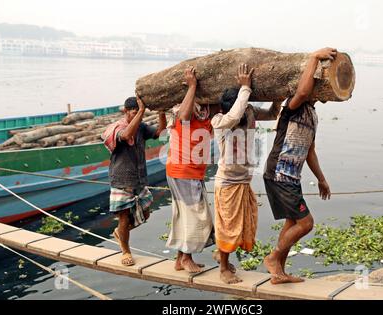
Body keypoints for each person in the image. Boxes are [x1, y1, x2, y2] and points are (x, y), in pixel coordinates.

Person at [263, 48, 336, 284]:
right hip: (279, 172)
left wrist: (322, 178)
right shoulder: (291, 106)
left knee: (292, 222)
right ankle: (273, 258)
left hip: (291, 176)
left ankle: (279, 274)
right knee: (306, 223)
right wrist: (314, 58)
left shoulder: (312, 115)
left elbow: (310, 151)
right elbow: (303, 91)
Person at [211, 63, 282, 284]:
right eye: (241, 107)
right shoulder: (220, 121)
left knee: (242, 226)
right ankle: (223, 268)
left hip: (243, 182)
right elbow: (233, 116)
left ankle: (222, 256)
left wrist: (278, 95)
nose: (243, 111)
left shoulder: (249, 113)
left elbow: (272, 114)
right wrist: (245, 88)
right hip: (227, 184)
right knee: (228, 227)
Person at [165, 66, 222, 273]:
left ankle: (180, 259)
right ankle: (187, 257)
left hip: (191, 172)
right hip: (182, 170)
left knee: (185, 214)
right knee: (196, 215)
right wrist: (192, 86)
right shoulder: (180, 108)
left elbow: (219, 108)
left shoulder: (207, 112)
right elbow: (184, 117)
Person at [102, 96, 167, 266]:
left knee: (145, 214)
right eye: (133, 112)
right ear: (126, 111)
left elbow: (160, 132)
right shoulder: (117, 128)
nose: (136, 115)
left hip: (139, 178)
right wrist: (142, 111)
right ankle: (125, 251)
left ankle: (120, 233)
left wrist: (161, 113)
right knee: (124, 219)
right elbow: (126, 135)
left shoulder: (142, 127)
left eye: (137, 112)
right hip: (121, 179)